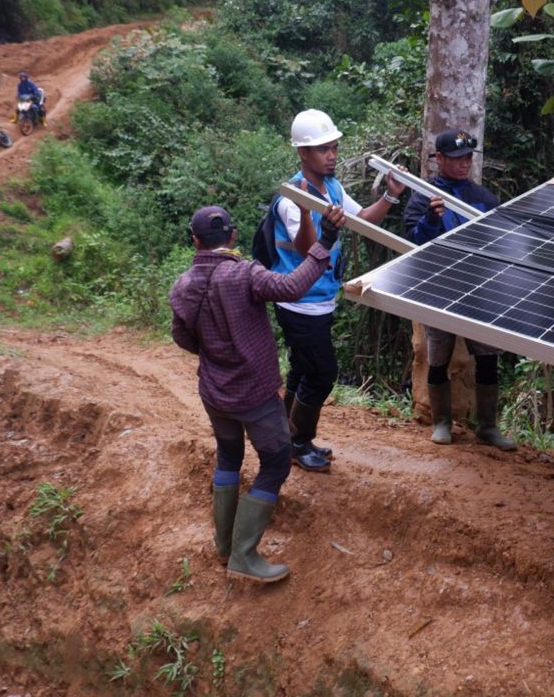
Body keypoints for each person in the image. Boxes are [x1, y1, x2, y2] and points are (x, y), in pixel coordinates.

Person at [170, 203, 344, 583]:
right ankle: (243, 555)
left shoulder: (183, 286)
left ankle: (223, 544)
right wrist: (326, 240)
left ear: (196, 241)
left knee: (229, 456)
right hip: (256, 394)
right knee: (276, 463)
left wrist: (216, 356)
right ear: (232, 237)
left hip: (214, 393)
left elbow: (182, 337)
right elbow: (293, 286)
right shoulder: (244, 274)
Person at [271, 109, 406, 472]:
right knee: (322, 373)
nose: (331, 155)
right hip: (299, 303)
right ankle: (298, 444)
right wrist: (304, 212)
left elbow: (360, 220)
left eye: (333, 147)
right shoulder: (291, 198)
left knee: (302, 370)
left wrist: (390, 198)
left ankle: (284, 439)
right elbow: (305, 250)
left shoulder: (331, 187)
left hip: (320, 299)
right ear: (302, 153)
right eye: (322, 149)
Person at [402, 128, 515, 450]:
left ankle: (488, 426)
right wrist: (431, 220)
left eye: (467, 158)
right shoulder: (423, 196)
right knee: (439, 358)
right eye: (456, 159)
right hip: (438, 291)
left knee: (488, 356)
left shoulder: (484, 198)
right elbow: (411, 244)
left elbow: (501, 243)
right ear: (439, 160)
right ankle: (441, 422)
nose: (463, 164)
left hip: (480, 291)